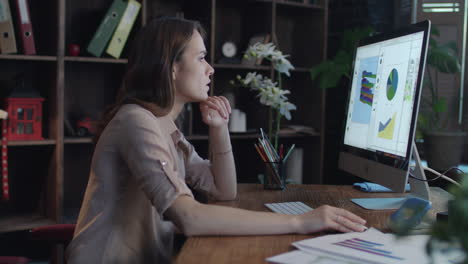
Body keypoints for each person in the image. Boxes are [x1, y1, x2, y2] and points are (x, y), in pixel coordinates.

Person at [66, 17, 367, 264]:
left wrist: (219, 128)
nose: (210, 68)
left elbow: (224, 190)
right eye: (200, 58)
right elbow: (190, 218)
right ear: (172, 68)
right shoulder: (136, 122)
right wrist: (300, 223)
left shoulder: (164, 124)